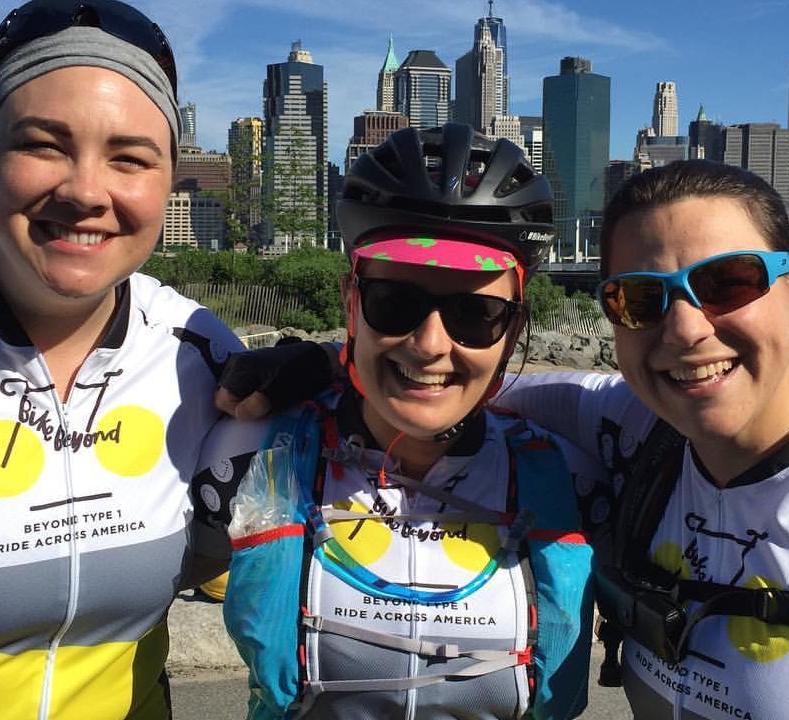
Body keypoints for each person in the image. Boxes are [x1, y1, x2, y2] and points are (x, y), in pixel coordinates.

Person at [0, 1, 246, 717]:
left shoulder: (203, 353)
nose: (84, 191)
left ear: (170, 182)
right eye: (43, 144)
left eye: (131, 158)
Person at [488, 160, 789, 719]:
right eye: (639, 298)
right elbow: (482, 389)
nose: (685, 330)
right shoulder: (638, 427)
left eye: (727, 282)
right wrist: (351, 369)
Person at [192, 124, 604, 719]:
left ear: (514, 329)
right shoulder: (249, 461)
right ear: (351, 304)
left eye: (476, 313)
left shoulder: (576, 479)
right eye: (395, 303)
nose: (430, 345)